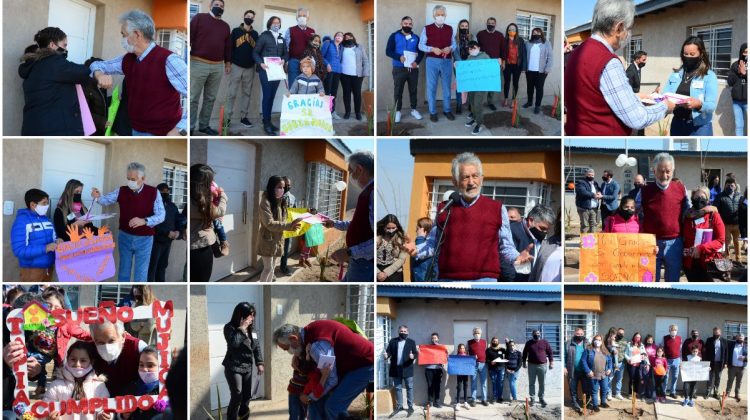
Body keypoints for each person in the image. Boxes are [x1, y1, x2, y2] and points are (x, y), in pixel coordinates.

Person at [408, 153, 525, 281]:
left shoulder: (497, 209)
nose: (471, 182)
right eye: (465, 177)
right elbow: (433, 243)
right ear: (455, 182)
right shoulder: (445, 208)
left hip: (484, 281)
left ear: (482, 178)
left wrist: (517, 257)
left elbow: (506, 246)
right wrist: (416, 250)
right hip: (448, 280)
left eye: (475, 176)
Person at [565, 0, 675, 135]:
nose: (628, 34)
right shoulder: (608, 61)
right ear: (619, 28)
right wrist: (665, 107)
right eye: (628, 29)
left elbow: (596, 96)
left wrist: (634, 98)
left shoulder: (577, 52)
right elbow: (637, 119)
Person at [92, 10, 187, 136]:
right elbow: (96, 65)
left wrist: (180, 130)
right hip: (135, 129)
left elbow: (193, 95)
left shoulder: (169, 60)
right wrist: (99, 74)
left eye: (123, 35)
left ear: (137, 34)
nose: (122, 39)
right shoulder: (128, 59)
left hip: (163, 133)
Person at [273, 321, 374, 420]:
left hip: (365, 365)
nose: (289, 352)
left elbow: (331, 379)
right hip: (350, 365)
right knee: (317, 402)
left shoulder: (317, 347)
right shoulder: (308, 332)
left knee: (333, 406)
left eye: (287, 349)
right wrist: (297, 355)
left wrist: (310, 397)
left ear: (293, 338)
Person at [91, 162, 165, 282]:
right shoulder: (122, 190)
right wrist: (97, 197)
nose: (130, 181)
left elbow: (161, 215)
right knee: (123, 272)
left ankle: (139, 298)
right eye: (128, 178)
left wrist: (144, 221)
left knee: (141, 275)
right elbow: (105, 200)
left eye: (133, 179)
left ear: (143, 178)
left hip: (145, 239)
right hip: (125, 237)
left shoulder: (153, 192)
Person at [19, 27, 94, 136]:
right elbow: (83, 72)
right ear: (52, 45)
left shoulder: (33, 66)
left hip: (32, 128)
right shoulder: (53, 63)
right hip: (55, 130)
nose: (66, 49)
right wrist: (95, 64)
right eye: (64, 45)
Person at [636, 153, 691, 282]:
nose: (665, 175)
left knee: (672, 281)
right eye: (661, 171)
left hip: (675, 243)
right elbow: (632, 212)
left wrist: (708, 210)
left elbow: (689, 211)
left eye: (668, 171)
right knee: (650, 280)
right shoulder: (644, 190)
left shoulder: (681, 188)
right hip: (650, 242)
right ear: (654, 171)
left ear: (673, 171)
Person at [324, 152, 374, 281]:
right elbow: (360, 226)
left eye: (350, 171)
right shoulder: (367, 192)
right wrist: (334, 223)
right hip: (359, 261)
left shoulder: (373, 193)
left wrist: (349, 252)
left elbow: (379, 240)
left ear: (359, 169)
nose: (350, 176)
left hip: (365, 263)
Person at [188, 0, 231, 135]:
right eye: (216, 5)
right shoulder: (199, 18)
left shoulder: (225, 26)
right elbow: (189, 36)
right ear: (210, 6)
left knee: (210, 98)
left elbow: (228, 46)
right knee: (193, 97)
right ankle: (190, 127)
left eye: (221, 6)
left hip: (217, 66)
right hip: (198, 63)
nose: (219, 7)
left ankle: (203, 125)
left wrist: (228, 62)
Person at [664, 36, 718, 136]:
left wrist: (699, 105)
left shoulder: (709, 76)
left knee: (699, 152)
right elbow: (665, 96)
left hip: (699, 127)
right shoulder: (675, 75)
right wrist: (657, 99)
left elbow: (711, 106)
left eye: (692, 54)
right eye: (685, 54)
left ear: (701, 54)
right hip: (677, 125)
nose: (688, 57)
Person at [43, 341, 109, 420]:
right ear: (67, 359)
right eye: (73, 359)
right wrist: (50, 416)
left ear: (91, 362)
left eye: (83, 360)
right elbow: (45, 408)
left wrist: (104, 416)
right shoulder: (56, 385)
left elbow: (107, 408)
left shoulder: (98, 386)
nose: (77, 364)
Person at [223, 303, 264, 420]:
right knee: (237, 395)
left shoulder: (252, 328)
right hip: (233, 366)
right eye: (250, 316)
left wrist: (259, 362)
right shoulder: (229, 328)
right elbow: (234, 344)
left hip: (247, 367)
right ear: (240, 316)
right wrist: (242, 329)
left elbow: (256, 347)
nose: (252, 319)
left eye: (253, 316)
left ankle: (244, 418)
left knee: (246, 397)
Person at [258, 176, 303, 282]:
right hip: (267, 240)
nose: (282, 190)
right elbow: (269, 223)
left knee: (272, 268)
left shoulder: (281, 201)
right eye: (279, 187)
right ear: (272, 187)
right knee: (267, 269)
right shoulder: (265, 202)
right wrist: (289, 225)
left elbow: (284, 220)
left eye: (283, 187)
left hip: (278, 240)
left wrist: (291, 227)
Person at [11, 189, 60, 281]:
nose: (47, 206)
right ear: (33, 205)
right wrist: (45, 248)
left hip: (49, 267)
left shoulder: (46, 219)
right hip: (32, 270)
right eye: (44, 203)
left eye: (47, 203)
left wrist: (58, 240)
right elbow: (19, 250)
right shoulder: (21, 221)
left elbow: (53, 238)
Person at [91, 319, 148, 397]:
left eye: (111, 341)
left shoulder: (137, 348)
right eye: (100, 343)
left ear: (123, 336)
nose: (106, 347)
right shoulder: (89, 351)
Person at [190, 164, 227, 282]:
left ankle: (222, 245)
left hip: (202, 244)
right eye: (210, 182)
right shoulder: (198, 204)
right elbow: (220, 211)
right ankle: (223, 244)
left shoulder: (196, 198)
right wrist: (223, 195)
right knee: (201, 279)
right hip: (200, 248)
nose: (212, 184)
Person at [419, 5, 456, 122]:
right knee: (431, 87)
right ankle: (433, 112)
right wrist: (431, 49)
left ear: (445, 16)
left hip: (447, 61)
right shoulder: (427, 28)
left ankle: (447, 110)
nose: (440, 16)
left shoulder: (450, 28)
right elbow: (420, 45)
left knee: (446, 87)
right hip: (432, 61)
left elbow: (454, 44)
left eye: (442, 14)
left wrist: (450, 48)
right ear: (434, 16)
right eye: (438, 14)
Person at [253, 16, 288, 135]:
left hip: (277, 71)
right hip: (265, 70)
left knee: (272, 96)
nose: (276, 24)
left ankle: (267, 120)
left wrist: (283, 60)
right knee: (267, 96)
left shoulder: (281, 38)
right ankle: (266, 124)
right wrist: (261, 63)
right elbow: (255, 52)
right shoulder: (264, 36)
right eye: (274, 22)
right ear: (269, 24)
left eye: (278, 22)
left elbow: (286, 54)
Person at [226, 9, 260, 129]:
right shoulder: (235, 31)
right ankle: (227, 118)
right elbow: (229, 48)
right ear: (243, 17)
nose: (249, 18)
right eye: (248, 16)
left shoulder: (255, 34)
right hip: (235, 65)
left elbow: (257, 51)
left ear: (253, 19)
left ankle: (243, 117)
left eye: (251, 17)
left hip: (249, 67)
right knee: (232, 93)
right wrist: (228, 63)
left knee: (247, 93)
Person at [683, 187, 726, 280]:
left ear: (707, 199)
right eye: (696, 196)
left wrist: (701, 248)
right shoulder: (687, 216)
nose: (699, 199)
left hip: (708, 263)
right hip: (690, 263)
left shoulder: (713, 215)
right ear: (692, 198)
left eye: (702, 197)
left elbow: (720, 240)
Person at [386, 17, 424, 123]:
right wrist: (399, 57)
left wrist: (417, 62)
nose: (407, 25)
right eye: (405, 23)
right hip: (399, 68)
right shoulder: (394, 36)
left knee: (413, 89)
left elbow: (421, 52)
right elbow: (388, 51)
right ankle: (398, 111)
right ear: (401, 24)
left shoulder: (416, 37)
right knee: (398, 90)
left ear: (412, 25)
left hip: (413, 68)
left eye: (410, 24)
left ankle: (414, 110)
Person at [508, 205, 556, 281]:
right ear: (530, 220)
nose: (544, 232)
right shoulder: (511, 231)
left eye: (547, 230)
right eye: (542, 228)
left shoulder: (537, 236)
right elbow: (505, 263)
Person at [148, 183, 180, 282]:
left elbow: (178, 219)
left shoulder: (172, 206)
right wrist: (166, 232)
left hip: (168, 242)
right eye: (162, 191)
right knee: (152, 268)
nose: (165, 193)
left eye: (167, 191)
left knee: (162, 267)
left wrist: (178, 232)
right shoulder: (152, 206)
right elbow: (151, 223)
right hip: (155, 242)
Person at [120, 346, 161, 420]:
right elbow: (120, 413)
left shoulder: (166, 390)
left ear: (160, 366)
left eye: (150, 365)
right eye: (141, 365)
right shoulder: (130, 389)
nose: (144, 369)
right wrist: (123, 416)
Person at [385, 325, 418, 416]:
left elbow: (415, 353)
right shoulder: (393, 341)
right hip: (396, 369)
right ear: (398, 331)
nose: (403, 333)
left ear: (407, 332)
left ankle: (410, 407)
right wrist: (386, 355)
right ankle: (399, 406)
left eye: (404, 331)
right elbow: (389, 352)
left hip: (407, 368)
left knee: (409, 388)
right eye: (401, 331)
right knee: (398, 388)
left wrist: (413, 356)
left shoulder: (411, 342)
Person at [475, 18, 505, 110]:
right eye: (489, 23)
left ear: (495, 24)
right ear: (486, 23)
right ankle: (479, 102)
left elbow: (503, 49)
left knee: (493, 84)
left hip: (495, 63)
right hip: (483, 63)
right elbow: (476, 49)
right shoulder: (480, 34)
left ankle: (490, 101)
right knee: (481, 83)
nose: (490, 25)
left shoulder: (500, 35)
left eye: (492, 23)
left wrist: (503, 61)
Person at [523, 27, 553, 114]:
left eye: (538, 33)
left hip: (541, 71)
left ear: (541, 34)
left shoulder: (546, 43)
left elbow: (550, 57)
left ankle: (537, 106)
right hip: (530, 70)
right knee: (530, 87)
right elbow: (524, 56)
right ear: (532, 34)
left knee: (539, 88)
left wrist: (548, 68)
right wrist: (524, 68)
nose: (536, 34)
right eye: (534, 33)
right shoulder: (528, 43)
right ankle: (529, 102)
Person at [463, 41, 491, 135]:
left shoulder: (485, 56)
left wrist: (498, 63)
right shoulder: (469, 57)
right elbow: (464, 69)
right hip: (471, 85)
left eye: (474, 48)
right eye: (470, 49)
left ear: (478, 47)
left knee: (478, 104)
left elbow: (491, 68)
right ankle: (475, 119)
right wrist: (457, 66)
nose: (472, 50)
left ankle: (479, 124)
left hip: (481, 85)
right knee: (472, 104)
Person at [339, 33, 369, 120]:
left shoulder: (359, 47)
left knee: (357, 94)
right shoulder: (341, 47)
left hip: (357, 75)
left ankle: (357, 113)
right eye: (346, 37)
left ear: (353, 37)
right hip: (344, 75)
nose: (348, 38)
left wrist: (365, 72)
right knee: (346, 94)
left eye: (350, 37)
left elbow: (365, 60)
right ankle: (347, 112)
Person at [285, 8, 316, 87]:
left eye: (304, 16)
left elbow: (314, 47)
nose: (302, 17)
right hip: (293, 61)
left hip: (307, 62)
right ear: (296, 18)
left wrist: (313, 60)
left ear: (308, 18)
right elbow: (286, 46)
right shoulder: (290, 30)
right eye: (299, 16)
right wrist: (286, 61)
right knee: (293, 86)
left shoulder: (312, 31)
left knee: (305, 86)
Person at [522, 329, 553, 407]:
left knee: (542, 383)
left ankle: (541, 398)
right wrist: (523, 362)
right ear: (532, 334)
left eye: (538, 333)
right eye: (535, 333)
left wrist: (551, 362)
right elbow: (525, 353)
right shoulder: (529, 343)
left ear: (540, 334)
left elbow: (550, 352)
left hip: (542, 365)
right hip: (531, 365)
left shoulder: (544, 342)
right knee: (531, 383)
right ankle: (532, 398)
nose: (537, 334)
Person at [583, 334, 612, 413]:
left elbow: (610, 361)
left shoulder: (605, 351)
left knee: (604, 389)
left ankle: (603, 402)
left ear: (602, 341)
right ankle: (595, 405)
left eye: (599, 340)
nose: (597, 341)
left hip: (604, 374)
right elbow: (583, 361)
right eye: (596, 339)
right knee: (594, 390)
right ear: (593, 340)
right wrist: (588, 371)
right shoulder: (588, 350)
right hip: (593, 375)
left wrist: (609, 369)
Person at [564, 328, 588, 413]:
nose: (580, 335)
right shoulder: (568, 343)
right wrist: (564, 367)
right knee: (573, 388)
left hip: (585, 371)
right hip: (572, 370)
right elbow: (564, 356)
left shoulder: (587, 344)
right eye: (578, 334)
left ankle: (586, 403)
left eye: (581, 334)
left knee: (586, 388)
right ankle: (575, 402)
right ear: (574, 334)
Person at [376, 214, 407, 282]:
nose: (391, 230)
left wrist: (386, 273)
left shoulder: (402, 238)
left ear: (397, 227)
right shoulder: (376, 237)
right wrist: (378, 272)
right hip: (377, 272)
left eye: (393, 228)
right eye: (388, 228)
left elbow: (402, 259)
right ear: (384, 227)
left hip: (395, 272)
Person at [717, 177, 741, 262]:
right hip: (726, 224)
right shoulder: (720, 196)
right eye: (728, 185)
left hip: (737, 224)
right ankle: (727, 258)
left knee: (737, 242)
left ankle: (738, 259)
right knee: (726, 242)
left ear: (735, 186)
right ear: (724, 186)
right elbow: (716, 209)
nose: (730, 187)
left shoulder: (739, 196)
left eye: (732, 185)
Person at [501, 23, 525, 107]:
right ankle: (506, 99)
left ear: (516, 31)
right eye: (510, 29)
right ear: (507, 31)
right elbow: (502, 52)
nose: (512, 31)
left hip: (517, 65)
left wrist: (523, 67)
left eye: (514, 29)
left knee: (515, 83)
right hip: (507, 65)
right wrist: (503, 62)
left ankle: (514, 100)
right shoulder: (504, 40)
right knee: (506, 82)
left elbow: (523, 53)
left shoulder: (520, 40)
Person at [452, 19, 473, 115]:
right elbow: (454, 51)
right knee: (459, 85)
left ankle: (470, 104)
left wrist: (468, 62)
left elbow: (475, 50)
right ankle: (459, 104)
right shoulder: (454, 38)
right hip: (458, 64)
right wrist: (460, 63)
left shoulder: (473, 37)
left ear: (468, 27)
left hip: (470, 64)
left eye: (466, 26)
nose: (464, 27)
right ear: (459, 27)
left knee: (470, 85)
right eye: (462, 26)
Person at [322, 32, 344, 119]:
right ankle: (326, 112)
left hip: (337, 71)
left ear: (342, 39)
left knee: (334, 92)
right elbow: (321, 56)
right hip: (329, 70)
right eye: (338, 35)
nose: (339, 37)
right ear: (334, 37)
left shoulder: (341, 47)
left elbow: (340, 59)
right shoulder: (328, 43)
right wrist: (327, 64)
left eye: (341, 36)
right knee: (327, 92)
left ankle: (332, 111)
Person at [727, 43, 747, 136]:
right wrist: (738, 72)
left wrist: (745, 73)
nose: (746, 54)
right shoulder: (735, 65)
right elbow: (730, 82)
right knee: (739, 126)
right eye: (745, 52)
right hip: (736, 102)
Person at [279, 177, 298, 276]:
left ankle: (283, 267)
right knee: (275, 248)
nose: (288, 186)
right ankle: (270, 270)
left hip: (288, 227)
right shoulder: (276, 196)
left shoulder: (292, 198)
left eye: (289, 185)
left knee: (286, 249)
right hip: (277, 226)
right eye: (286, 185)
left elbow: (295, 212)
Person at [574, 168, 601, 234]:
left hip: (594, 208)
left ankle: (592, 242)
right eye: (589, 175)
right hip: (584, 208)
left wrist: (599, 193)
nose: (591, 176)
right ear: (585, 175)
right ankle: (584, 243)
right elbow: (582, 192)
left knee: (594, 225)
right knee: (585, 225)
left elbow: (599, 190)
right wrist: (594, 195)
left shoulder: (595, 183)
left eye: (592, 175)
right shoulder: (581, 182)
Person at [703, 327, 728, 399]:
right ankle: (708, 392)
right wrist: (706, 362)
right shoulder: (709, 340)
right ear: (713, 333)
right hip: (711, 363)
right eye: (715, 333)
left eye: (718, 333)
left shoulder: (724, 341)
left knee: (718, 378)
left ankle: (716, 392)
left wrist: (726, 363)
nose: (716, 334)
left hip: (720, 363)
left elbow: (726, 353)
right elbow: (706, 352)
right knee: (710, 378)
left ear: (720, 333)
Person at [424, 332, 447, 408]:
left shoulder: (442, 348)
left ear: (438, 339)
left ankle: (437, 402)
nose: (434, 339)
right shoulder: (427, 348)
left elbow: (446, 357)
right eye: (432, 338)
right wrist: (420, 351)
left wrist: (446, 356)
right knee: (430, 386)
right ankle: (430, 402)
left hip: (438, 369)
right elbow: (423, 355)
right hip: (429, 369)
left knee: (437, 386)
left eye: (435, 338)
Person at [468, 327, 488, 407]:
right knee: (473, 382)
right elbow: (466, 353)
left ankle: (484, 399)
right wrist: (472, 357)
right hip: (473, 365)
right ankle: (473, 400)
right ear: (473, 334)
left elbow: (487, 352)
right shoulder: (469, 342)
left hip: (483, 364)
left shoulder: (484, 342)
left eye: (478, 333)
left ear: (481, 334)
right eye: (475, 333)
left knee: (484, 383)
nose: (477, 334)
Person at [624, 332, 648, 398]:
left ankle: (635, 392)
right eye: (636, 337)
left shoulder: (641, 345)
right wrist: (628, 359)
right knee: (632, 379)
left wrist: (643, 356)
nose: (637, 338)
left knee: (638, 379)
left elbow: (644, 353)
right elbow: (625, 353)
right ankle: (630, 393)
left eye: (639, 337)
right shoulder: (629, 344)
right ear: (634, 337)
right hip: (631, 364)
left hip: (639, 365)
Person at [661, 324, 681, 399]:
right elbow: (662, 348)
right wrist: (663, 359)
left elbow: (680, 350)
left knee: (675, 377)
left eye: (675, 330)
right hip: (667, 360)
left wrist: (680, 360)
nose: (674, 331)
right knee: (666, 376)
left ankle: (673, 392)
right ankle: (663, 392)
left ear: (677, 331)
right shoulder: (665, 338)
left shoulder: (679, 338)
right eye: (672, 330)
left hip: (677, 360)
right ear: (669, 330)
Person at [608, 327, 628, 400]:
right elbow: (609, 348)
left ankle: (618, 393)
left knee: (619, 379)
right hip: (612, 362)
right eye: (619, 333)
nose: (621, 334)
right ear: (617, 333)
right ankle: (609, 393)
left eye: (622, 333)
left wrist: (628, 359)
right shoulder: (612, 339)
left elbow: (625, 351)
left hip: (621, 362)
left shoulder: (625, 341)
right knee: (610, 378)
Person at [485, 337, 506, 404]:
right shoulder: (488, 350)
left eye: (496, 341)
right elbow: (486, 359)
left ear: (498, 342)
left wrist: (507, 343)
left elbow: (508, 352)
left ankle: (500, 398)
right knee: (494, 383)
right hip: (492, 369)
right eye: (494, 341)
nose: (495, 342)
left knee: (500, 383)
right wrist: (490, 362)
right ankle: (494, 398)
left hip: (501, 368)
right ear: (491, 342)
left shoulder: (502, 349)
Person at [726, 333, 746, 402]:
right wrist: (726, 363)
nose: (740, 339)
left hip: (741, 368)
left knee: (739, 382)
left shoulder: (746, 346)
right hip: (732, 367)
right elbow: (727, 353)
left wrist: (745, 358)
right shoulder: (731, 345)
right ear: (736, 338)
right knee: (730, 380)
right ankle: (727, 393)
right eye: (739, 338)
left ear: (743, 339)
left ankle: (737, 394)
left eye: (741, 338)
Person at [454, 343, 470, 409]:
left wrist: (475, 358)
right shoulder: (456, 356)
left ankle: (465, 402)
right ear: (458, 349)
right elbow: (453, 363)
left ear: (465, 349)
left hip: (465, 374)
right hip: (459, 374)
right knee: (459, 387)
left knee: (465, 387)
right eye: (461, 348)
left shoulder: (467, 356)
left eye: (463, 348)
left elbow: (470, 364)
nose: (462, 349)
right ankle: (458, 403)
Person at [643, 335, 658, 402]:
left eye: (651, 340)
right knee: (646, 380)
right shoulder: (644, 347)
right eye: (649, 340)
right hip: (647, 365)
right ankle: (646, 394)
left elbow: (659, 354)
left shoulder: (655, 346)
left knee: (653, 381)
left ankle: (653, 395)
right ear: (646, 340)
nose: (650, 341)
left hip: (654, 366)